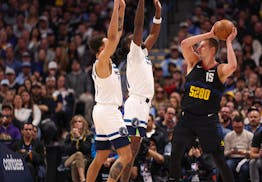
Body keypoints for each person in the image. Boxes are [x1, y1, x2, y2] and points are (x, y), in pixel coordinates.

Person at [168, 22, 238, 182]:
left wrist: (228, 42)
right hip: (187, 118)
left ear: (213, 50)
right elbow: (185, 44)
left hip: (208, 120)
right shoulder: (193, 63)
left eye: (202, 46)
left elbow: (233, 66)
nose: (198, 49)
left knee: (218, 158)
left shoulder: (219, 70)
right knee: (175, 152)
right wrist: (210, 34)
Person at [86, 1, 132, 182]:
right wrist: (114, 9)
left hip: (102, 111)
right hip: (108, 111)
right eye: (107, 45)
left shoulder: (106, 61)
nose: (112, 45)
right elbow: (113, 38)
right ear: (100, 50)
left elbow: (117, 35)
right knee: (126, 155)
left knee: (101, 156)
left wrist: (122, 10)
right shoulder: (102, 61)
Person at [120, 0, 162, 181]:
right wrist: (142, 2)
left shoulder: (143, 53)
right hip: (136, 103)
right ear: (130, 45)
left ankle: (124, 179)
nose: (139, 40)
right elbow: (139, 26)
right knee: (130, 150)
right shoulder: (134, 53)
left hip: (143, 105)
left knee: (134, 151)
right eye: (134, 39)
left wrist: (158, 13)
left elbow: (154, 32)